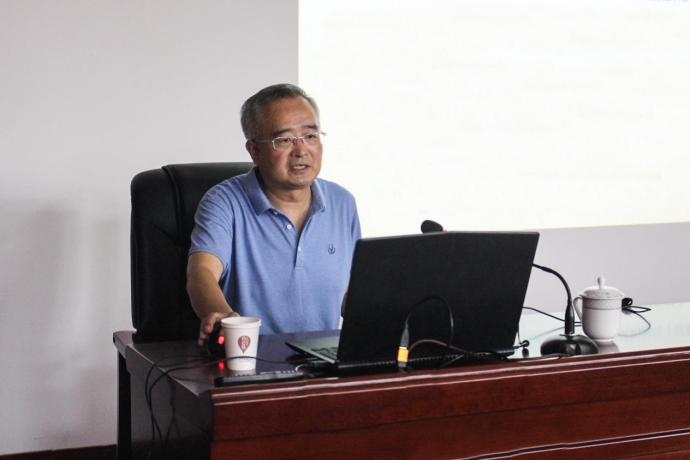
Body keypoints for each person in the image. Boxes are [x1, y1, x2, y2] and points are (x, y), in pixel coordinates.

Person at [186, 84, 361, 345]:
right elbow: (201, 272)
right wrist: (222, 316)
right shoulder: (223, 202)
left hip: (323, 358)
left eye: (310, 136)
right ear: (254, 151)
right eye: (284, 140)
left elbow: (351, 294)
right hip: (252, 356)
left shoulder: (342, 202)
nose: (301, 151)